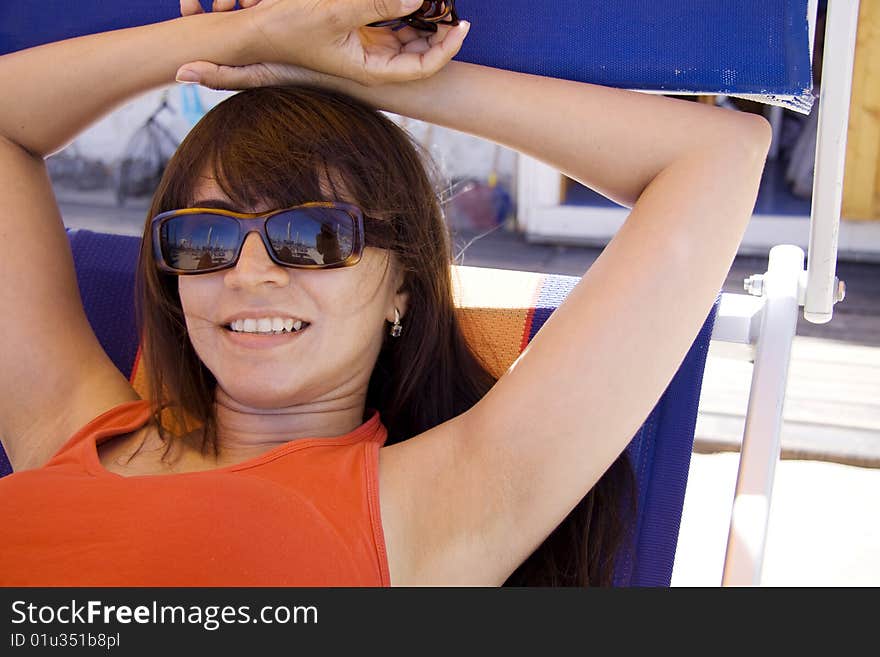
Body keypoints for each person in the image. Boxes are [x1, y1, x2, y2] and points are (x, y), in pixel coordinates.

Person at [0, 0, 771, 586]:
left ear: (403, 281)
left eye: (315, 235)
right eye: (203, 238)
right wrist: (247, 38)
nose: (249, 272)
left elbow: (717, 155)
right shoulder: (72, 425)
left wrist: (353, 74)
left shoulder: (441, 503)